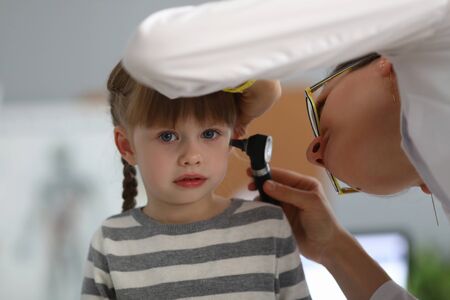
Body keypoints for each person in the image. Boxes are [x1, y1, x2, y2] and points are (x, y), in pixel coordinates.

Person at [120, 0, 450, 299]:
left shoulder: (433, 28)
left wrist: (254, 97)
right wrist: (332, 248)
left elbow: (157, 49)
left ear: (383, 60)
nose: (312, 153)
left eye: (318, 107)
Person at [81, 62, 310, 299]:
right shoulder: (111, 241)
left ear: (234, 135)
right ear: (127, 146)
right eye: (167, 136)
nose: (192, 157)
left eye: (209, 134)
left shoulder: (268, 226)